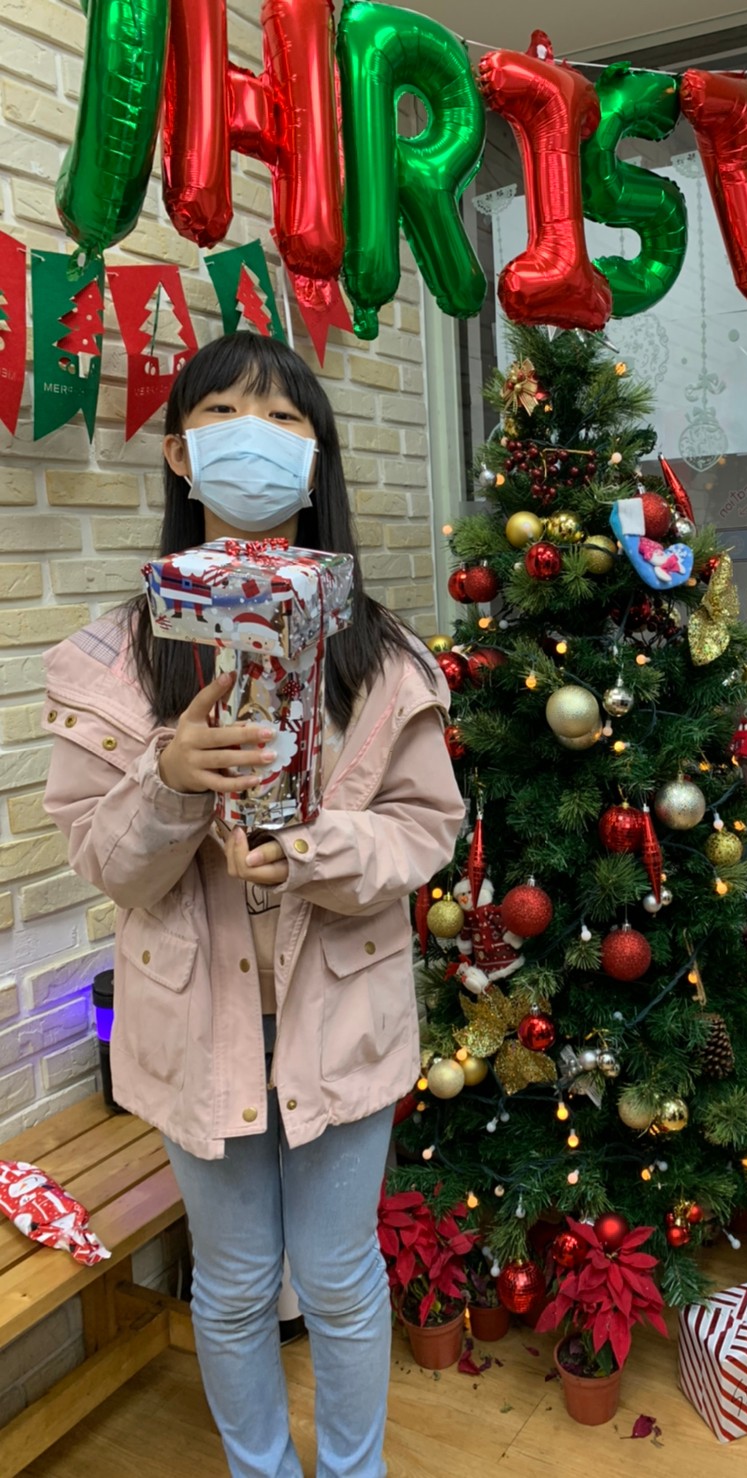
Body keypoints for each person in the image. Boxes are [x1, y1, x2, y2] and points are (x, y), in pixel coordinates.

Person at [42, 333, 466, 1478]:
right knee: (231, 1281)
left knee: (339, 1274)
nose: (255, 437)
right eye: (224, 411)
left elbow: (428, 826)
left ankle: (354, 1469)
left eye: (285, 418)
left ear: (316, 456)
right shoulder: (109, 663)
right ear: (179, 454)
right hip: (196, 1023)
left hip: (343, 1012)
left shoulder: (382, 655)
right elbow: (105, 858)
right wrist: (169, 782)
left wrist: (318, 849)